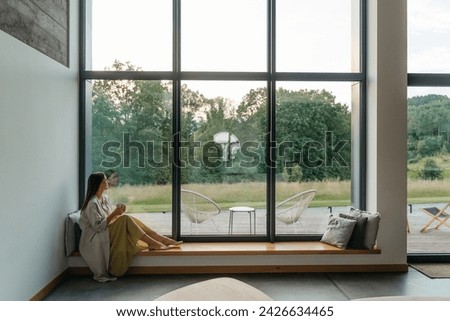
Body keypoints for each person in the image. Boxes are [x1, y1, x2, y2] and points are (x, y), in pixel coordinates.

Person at [79, 172, 182, 282]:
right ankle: (156, 241)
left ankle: (159, 239)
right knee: (126, 219)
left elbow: (110, 218)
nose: (108, 182)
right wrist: (115, 214)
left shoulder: (105, 198)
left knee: (128, 219)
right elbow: (98, 227)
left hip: (106, 230)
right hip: (94, 237)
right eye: (105, 180)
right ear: (98, 184)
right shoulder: (92, 203)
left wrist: (119, 211)